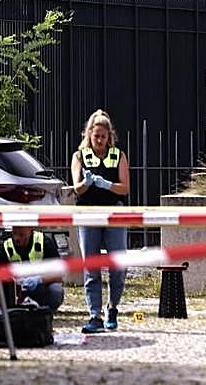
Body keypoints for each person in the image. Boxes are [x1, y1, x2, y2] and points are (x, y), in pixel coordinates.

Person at [71, 109, 131, 334]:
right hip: (88, 213)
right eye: (96, 136)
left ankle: (112, 307)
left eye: (103, 136)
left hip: (114, 213)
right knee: (91, 266)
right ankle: (94, 315)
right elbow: (77, 188)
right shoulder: (80, 156)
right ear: (89, 134)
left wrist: (107, 184)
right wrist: (86, 183)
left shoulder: (118, 155)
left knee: (118, 265)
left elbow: (125, 188)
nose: (99, 140)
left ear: (109, 136)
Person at [2, 226, 64, 311]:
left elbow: (58, 275)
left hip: (40, 288)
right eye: (14, 234)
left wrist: (38, 280)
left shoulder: (44, 242)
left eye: (21, 235)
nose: (16, 238)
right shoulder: (6, 245)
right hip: (17, 291)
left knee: (55, 290)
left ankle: (46, 312)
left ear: (30, 230)